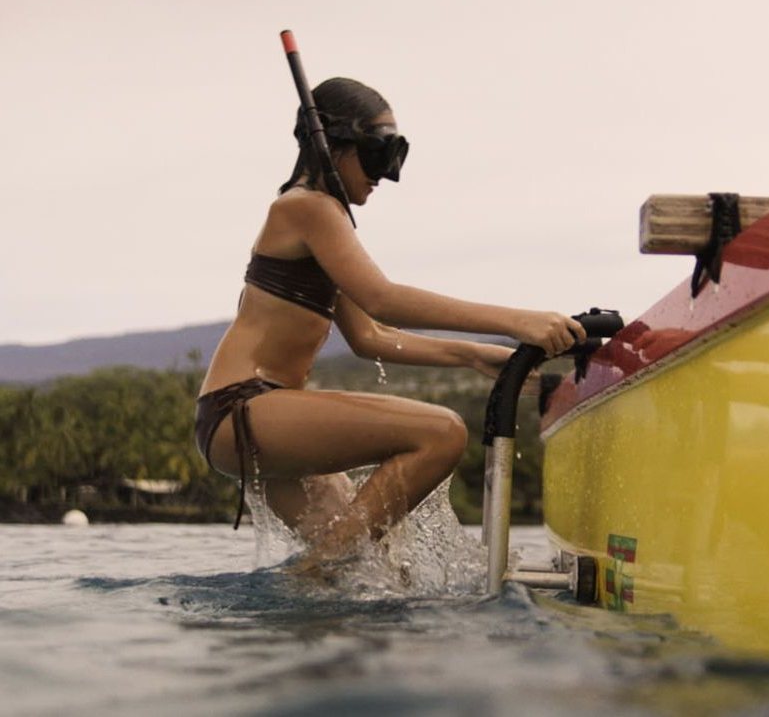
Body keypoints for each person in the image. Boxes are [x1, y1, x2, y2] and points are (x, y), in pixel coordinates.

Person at [195, 77, 585, 570]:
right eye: (380, 153)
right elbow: (382, 299)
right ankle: (309, 575)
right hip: (243, 408)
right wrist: (517, 321)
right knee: (442, 433)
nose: (388, 174)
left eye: (397, 156)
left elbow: (368, 337)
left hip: (258, 419)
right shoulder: (307, 207)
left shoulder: (318, 215)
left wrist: (473, 355)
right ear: (332, 144)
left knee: (373, 568)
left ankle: (315, 584)